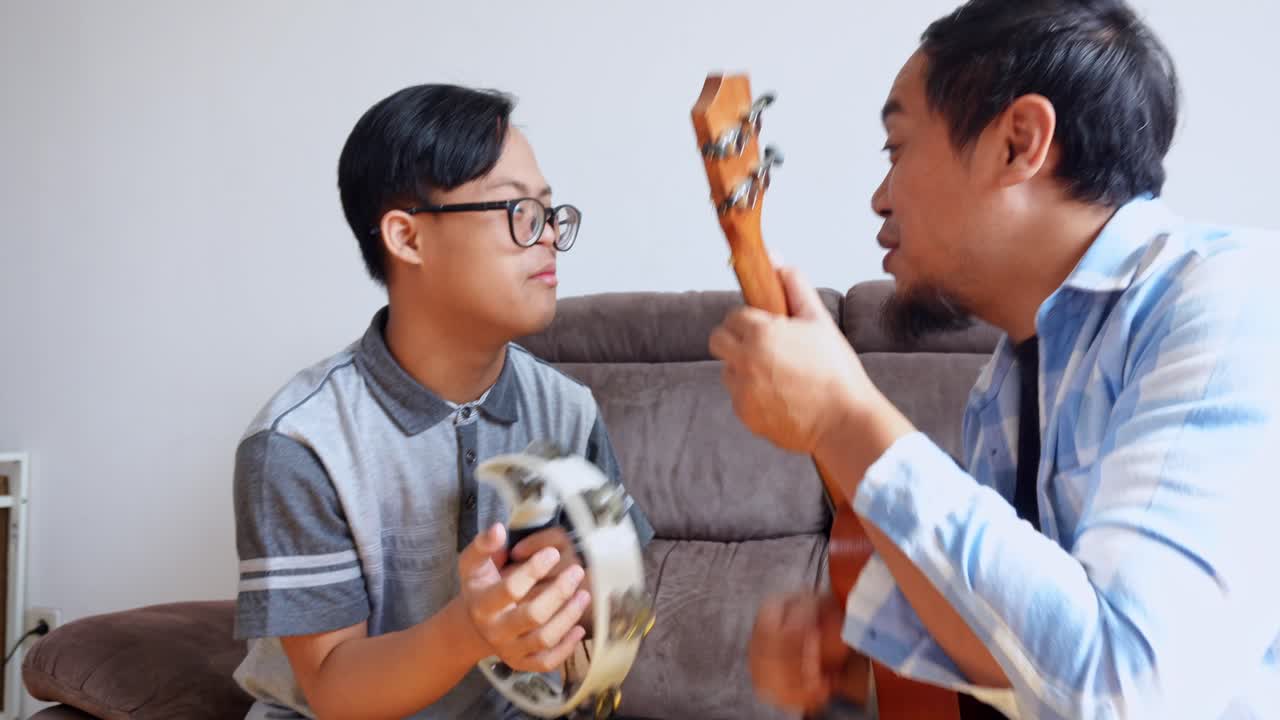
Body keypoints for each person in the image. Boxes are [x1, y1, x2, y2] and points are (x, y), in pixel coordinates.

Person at [709, 1, 1280, 718]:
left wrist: (846, 417)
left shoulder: (1233, 303)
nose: (879, 198)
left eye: (897, 148)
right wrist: (851, 667)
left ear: (1018, 143)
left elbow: (1126, 688)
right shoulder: (1005, 386)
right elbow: (1014, 654)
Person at [231, 83, 654, 719]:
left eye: (549, 213)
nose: (547, 239)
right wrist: (470, 630)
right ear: (407, 238)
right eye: (518, 212)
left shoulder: (569, 410)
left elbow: (618, 590)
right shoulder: (300, 443)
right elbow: (333, 689)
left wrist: (576, 582)